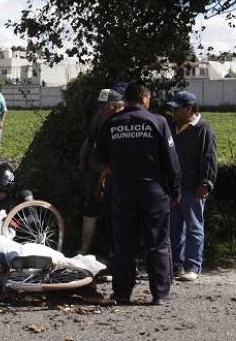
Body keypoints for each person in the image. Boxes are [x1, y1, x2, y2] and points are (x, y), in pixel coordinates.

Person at [94, 81, 181, 306]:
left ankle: (122, 293)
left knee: (123, 243)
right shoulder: (158, 122)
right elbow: (171, 161)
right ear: (144, 98)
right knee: (158, 242)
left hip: (122, 190)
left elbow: (102, 158)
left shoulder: (111, 123)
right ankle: (160, 294)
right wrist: (176, 188)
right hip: (153, 191)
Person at [168, 91, 217, 281]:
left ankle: (193, 267)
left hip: (193, 187)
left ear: (189, 109)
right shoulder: (172, 127)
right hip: (174, 188)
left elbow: (209, 159)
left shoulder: (203, 130)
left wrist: (205, 183)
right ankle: (175, 266)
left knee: (194, 227)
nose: (173, 111)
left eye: (177, 108)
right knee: (174, 228)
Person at [77, 88, 124, 254]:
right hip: (96, 166)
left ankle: (113, 253)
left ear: (115, 106)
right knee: (91, 204)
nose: (101, 110)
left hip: (114, 173)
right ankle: (85, 247)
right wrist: (83, 158)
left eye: (104, 107)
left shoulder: (125, 120)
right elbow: (90, 138)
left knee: (114, 211)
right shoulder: (99, 117)